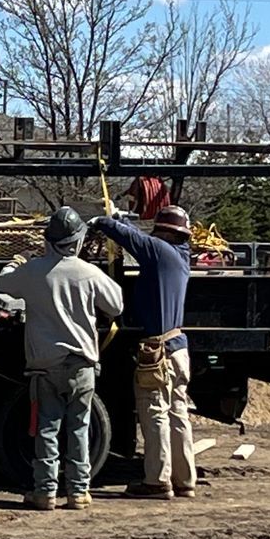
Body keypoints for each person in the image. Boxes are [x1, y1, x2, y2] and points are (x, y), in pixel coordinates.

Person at [0, 206, 124, 512]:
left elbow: (3, 283)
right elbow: (117, 305)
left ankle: (45, 492)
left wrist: (19, 259)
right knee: (79, 430)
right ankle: (78, 493)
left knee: (47, 430)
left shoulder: (33, 271)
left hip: (45, 367)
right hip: (81, 366)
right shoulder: (89, 273)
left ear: (48, 239)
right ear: (78, 241)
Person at [89, 204, 196, 500]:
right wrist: (121, 218)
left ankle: (157, 481)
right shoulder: (180, 257)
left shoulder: (159, 252)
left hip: (157, 350)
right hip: (177, 349)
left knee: (154, 413)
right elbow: (139, 237)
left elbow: (134, 240)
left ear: (162, 231)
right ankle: (184, 480)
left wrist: (103, 221)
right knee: (177, 413)